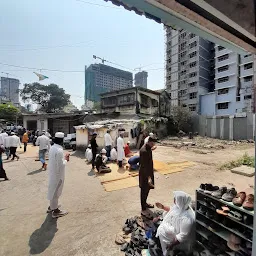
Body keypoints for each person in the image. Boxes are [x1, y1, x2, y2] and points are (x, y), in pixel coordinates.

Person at [155, 191, 195, 256]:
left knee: (169, 251)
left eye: (175, 199)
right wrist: (162, 207)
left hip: (179, 242)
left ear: (180, 201)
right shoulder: (181, 206)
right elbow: (172, 209)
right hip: (173, 231)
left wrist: (171, 245)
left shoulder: (187, 219)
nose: (174, 201)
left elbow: (182, 236)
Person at [47, 132, 70, 218]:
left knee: (52, 190)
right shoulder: (59, 150)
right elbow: (61, 165)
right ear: (62, 140)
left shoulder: (52, 148)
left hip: (53, 173)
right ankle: (55, 211)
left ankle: (52, 206)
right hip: (58, 174)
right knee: (56, 192)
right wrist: (66, 159)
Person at [139, 137, 157, 215]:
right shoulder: (144, 151)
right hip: (145, 174)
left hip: (148, 172)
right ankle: (143, 208)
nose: (153, 145)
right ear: (149, 142)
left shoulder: (148, 148)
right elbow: (144, 166)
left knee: (147, 189)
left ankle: (145, 203)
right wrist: (148, 177)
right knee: (144, 190)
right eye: (152, 144)